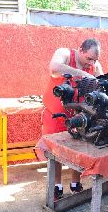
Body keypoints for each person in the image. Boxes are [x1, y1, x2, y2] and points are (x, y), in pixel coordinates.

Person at [42, 38, 103, 200]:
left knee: (78, 151)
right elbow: (54, 68)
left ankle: (75, 183)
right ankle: (56, 186)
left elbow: (102, 84)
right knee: (55, 151)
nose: (91, 63)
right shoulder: (64, 54)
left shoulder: (94, 66)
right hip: (55, 116)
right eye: (89, 58)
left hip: (80, 117)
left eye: (95, 60)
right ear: (80, 50)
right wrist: (82, 74)